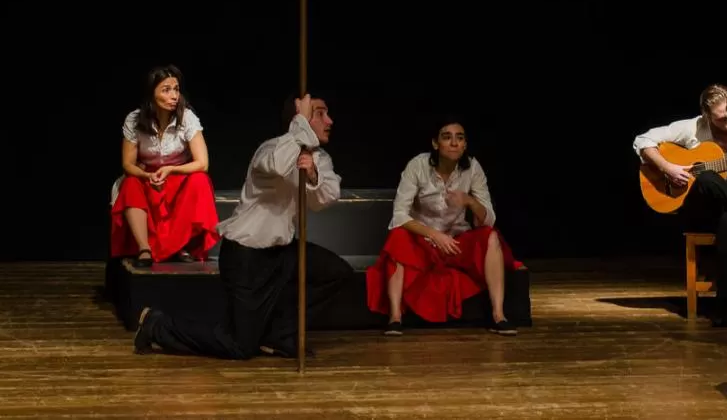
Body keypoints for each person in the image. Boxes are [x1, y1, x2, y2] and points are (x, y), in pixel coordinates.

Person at [133, 93, 354, 359]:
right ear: (300, 118)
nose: (328, 120)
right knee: (239, 346)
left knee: (336, 272)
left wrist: (313, 174)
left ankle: (279, 335)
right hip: (246, 257)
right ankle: (157, 325)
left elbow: (326, 197)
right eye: (318, 113)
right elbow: (280, 165)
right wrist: (300, 124)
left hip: (282, 252)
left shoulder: (317, 158)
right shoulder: (270, 150)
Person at [366, 117, 524, 336]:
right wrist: (434, 235)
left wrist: (469, 201)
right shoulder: (418, 165)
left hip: (456, 242)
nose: (454, 143)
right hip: (424, 242)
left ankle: (499, 315)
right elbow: (399, 215)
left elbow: (488, 219)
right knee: (398, 237)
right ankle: (395, 318)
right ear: (435, 143)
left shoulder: (473, 168)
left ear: (465, 145)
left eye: (460, 138)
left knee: (491, 236)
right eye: (447, 137)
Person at [634, 84, 727, 326]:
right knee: (707, 177)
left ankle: (723, 307)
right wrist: (668, 168)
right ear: (707, 116)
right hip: (702, 209)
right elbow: (643, 140)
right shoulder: (693, 128)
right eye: (721, 120)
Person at [109, 65, 219, 267]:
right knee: (130, 183)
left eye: (176, 89)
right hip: (146, 178)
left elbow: (203, 163)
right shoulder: (134, 119)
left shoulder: (187, 117)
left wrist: (171, 170)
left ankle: (180, 245)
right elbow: (127, 164)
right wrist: (146, 175)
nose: (174, 95)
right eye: (166, 90)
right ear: (152, 94)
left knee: (200, 180)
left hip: (178, 177)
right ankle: (144, 249)